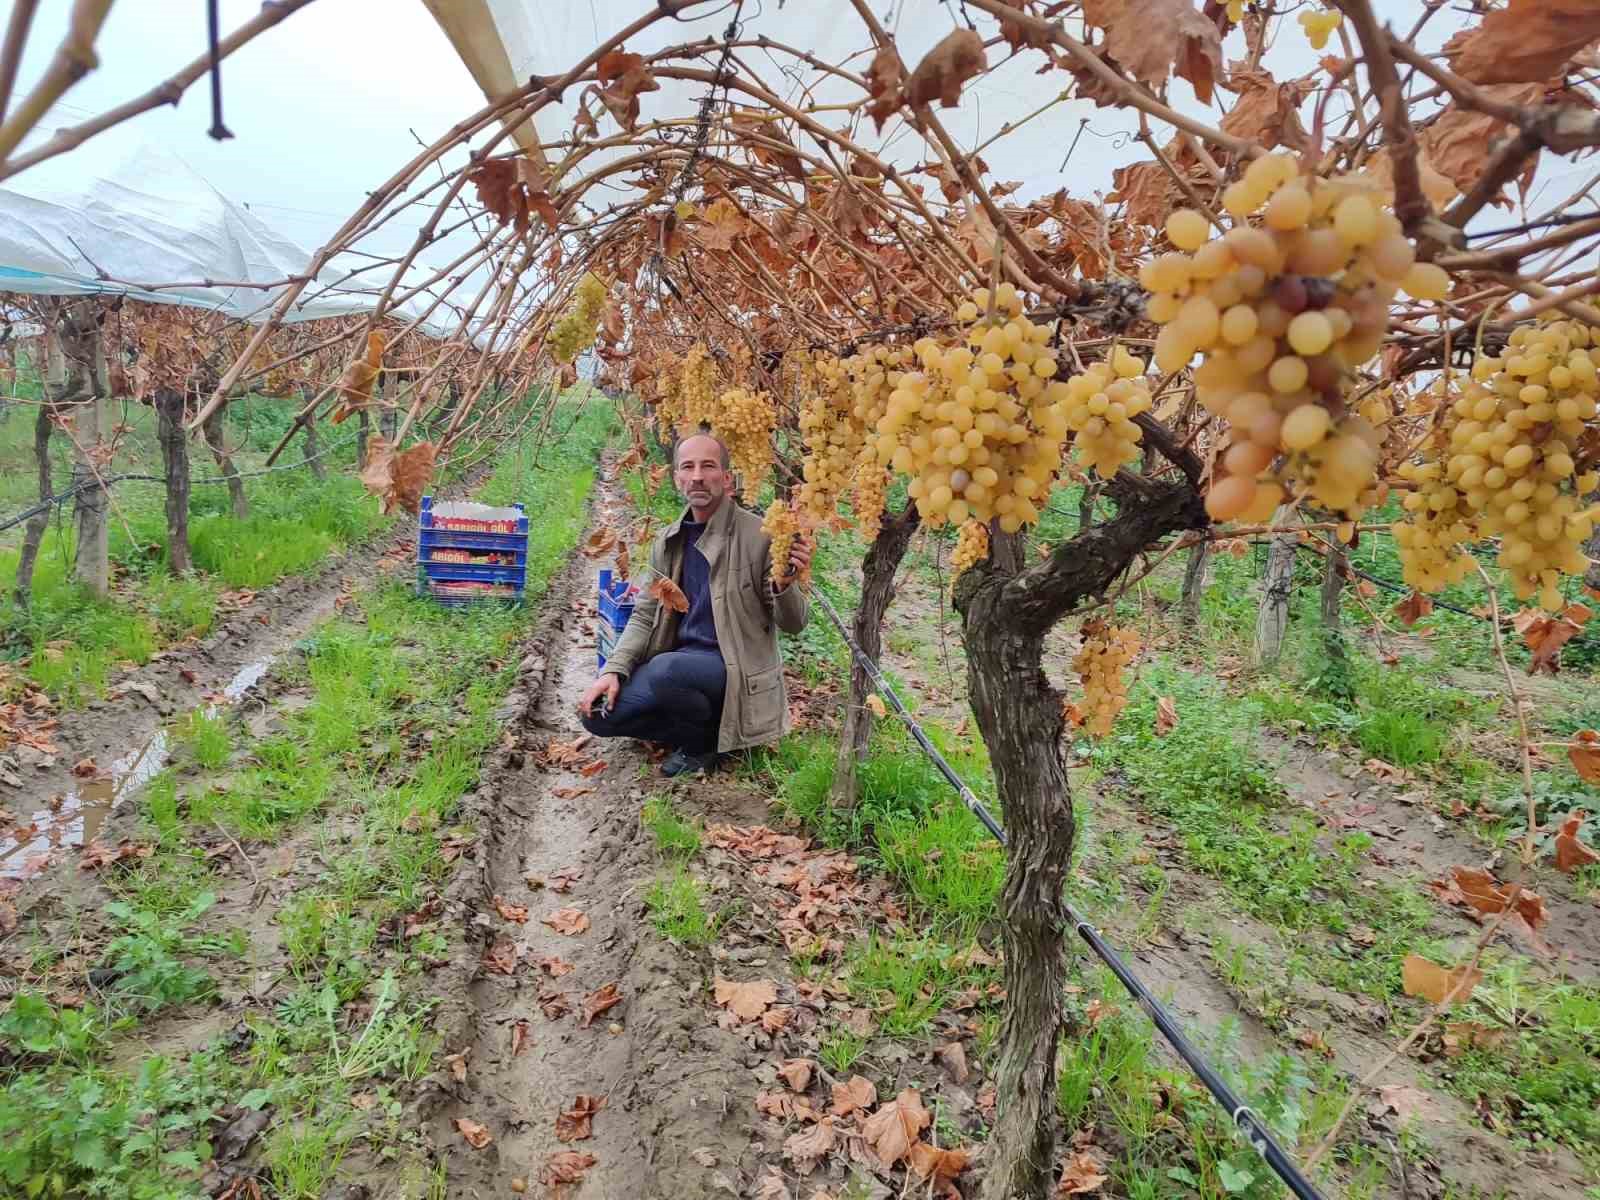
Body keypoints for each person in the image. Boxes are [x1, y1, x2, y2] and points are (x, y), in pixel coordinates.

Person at [576, 430, 813, 776]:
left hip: (733, 670)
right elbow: (644, 616)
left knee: (665, 671)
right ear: (677, 479)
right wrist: (614, 670)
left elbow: (795, 623)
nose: (698, 476)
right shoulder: (669, 540)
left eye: (708, 466)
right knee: (595, 715)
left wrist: (784, 584)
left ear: (727, 478)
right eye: (688, 467)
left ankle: (701, 746)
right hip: (682, 666)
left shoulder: (760, 536)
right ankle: (714, 731)